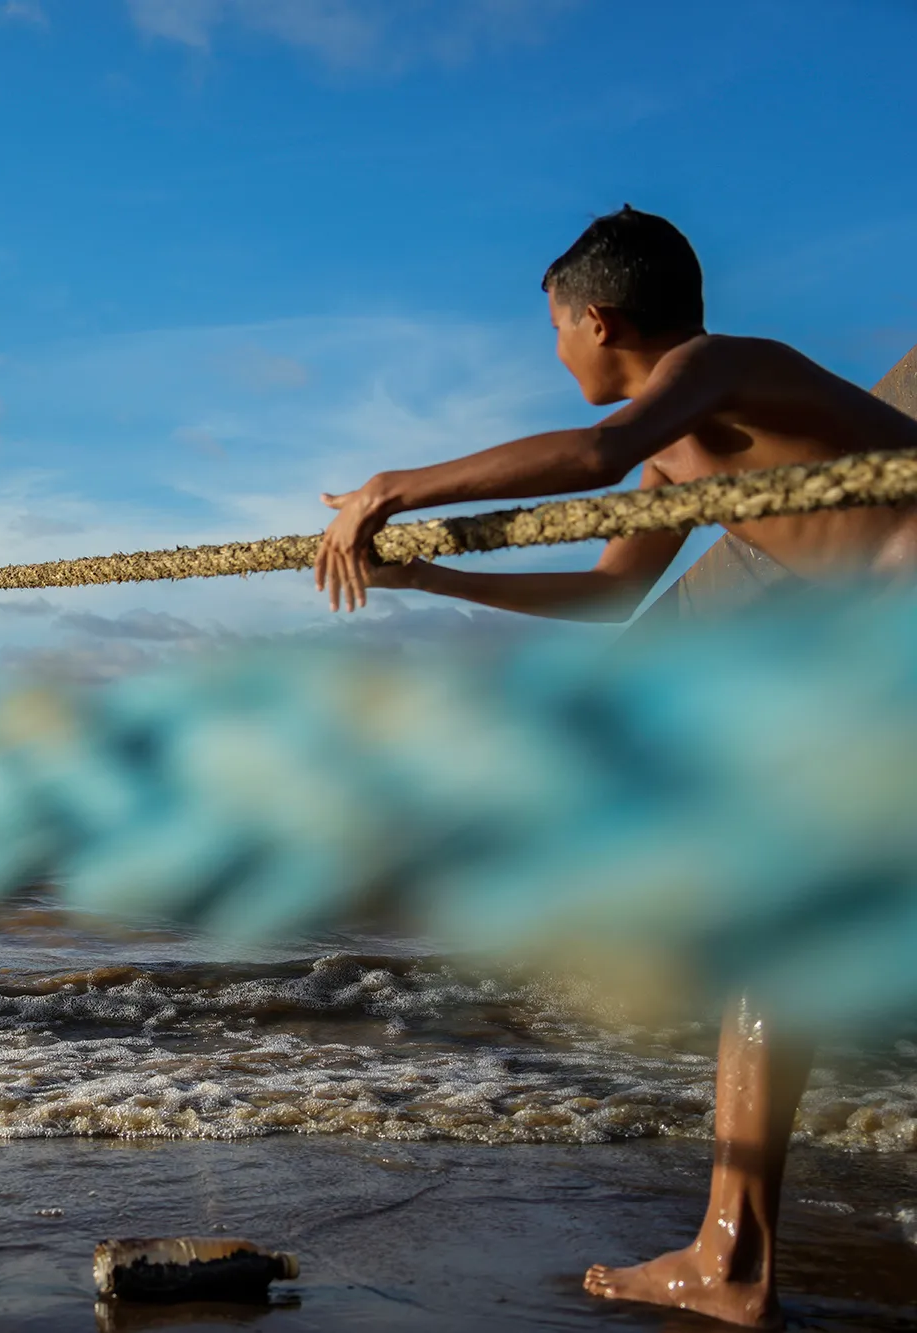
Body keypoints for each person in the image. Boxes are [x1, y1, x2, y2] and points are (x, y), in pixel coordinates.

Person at [313, 205, 917, 1327]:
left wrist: (391, 483)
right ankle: (729, 1255)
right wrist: (430, 582)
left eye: (550, 330)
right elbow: (604, 591)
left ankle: (732, 1260)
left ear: (597, 319)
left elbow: (590, 453)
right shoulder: (682, 444)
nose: (551, 356)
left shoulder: (720, 368)